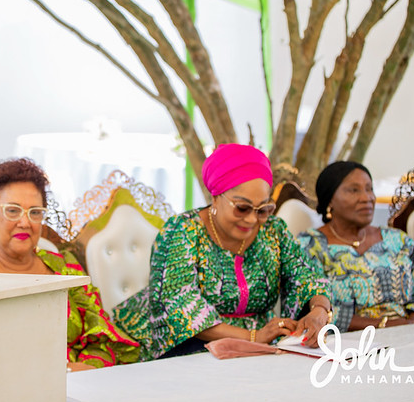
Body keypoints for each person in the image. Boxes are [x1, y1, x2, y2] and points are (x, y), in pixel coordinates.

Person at [113, 143, 332, 361]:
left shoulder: (274, 230)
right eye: (242, 208)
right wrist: (253, 336)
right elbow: (181, 306)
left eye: (263, 210)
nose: (252, 220)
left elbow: (307, 276)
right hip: (188, 347)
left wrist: (318, 312)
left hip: (260, 348)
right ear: (215, 197)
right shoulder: (182, 231)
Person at [0, 158, 140, 371]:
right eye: (13, 211)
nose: (25, 223)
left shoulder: (64, 267)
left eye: (35, 212)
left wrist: (82, 370)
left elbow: (101, 336)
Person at [297, 161, 414, 331]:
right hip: (348, 347)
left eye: (369, 189)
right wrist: (386, 326)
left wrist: (411, 326)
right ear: (329, 199)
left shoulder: (398, 240)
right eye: (354, 190)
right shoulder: (310, 246)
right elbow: (314, 312)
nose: (366, 198)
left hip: (412, 336)